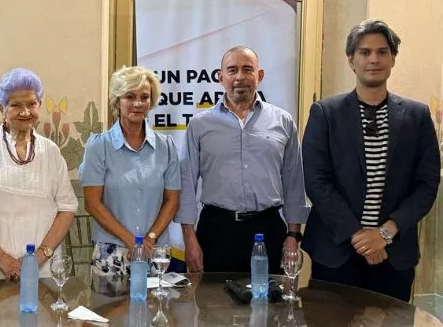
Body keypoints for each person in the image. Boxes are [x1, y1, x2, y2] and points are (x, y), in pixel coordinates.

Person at [302, 19, 440, 302]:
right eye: (365, 52)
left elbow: (426, 185)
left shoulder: (417, 116)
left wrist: (385, 234)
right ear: (351, 60)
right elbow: (316, 182)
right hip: (336, 253)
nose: (374, 59)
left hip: (394, 254)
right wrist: (360, 236)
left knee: (392, 321)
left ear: (393, 58)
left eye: (382, 52)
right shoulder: (325, 113)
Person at [175, 46, 307, 273]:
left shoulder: (283, 121)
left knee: (270, 295)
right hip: (216, 230)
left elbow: (294, 183)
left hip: (268, 230)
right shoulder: (199, 125)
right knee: (213, 296)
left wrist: (293, 236)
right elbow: (186, 184)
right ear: (220, 77)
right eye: (232, 70)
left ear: (259, 75)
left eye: (247, 69)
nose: (240, 77)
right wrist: (189, 238)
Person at [0, 68, 77, 280]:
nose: (25, 112)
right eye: (16, 105)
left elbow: (66, 208)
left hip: (42, 271)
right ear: (2, 108)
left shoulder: (52, 151)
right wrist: (2, 259)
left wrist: (38, 258)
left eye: (31, 104)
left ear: (39, 105)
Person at [80, 66, 180, 280]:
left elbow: (172, 200)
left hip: (155, 252)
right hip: (112, 251)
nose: (138, 103)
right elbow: (92, 203)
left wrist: (149, 240)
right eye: (130, 96)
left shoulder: (166, 146)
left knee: (156, 303)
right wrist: (132, 242)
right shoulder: (99, 146)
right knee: (110, 303)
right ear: (117, 101)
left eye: (144, 97)